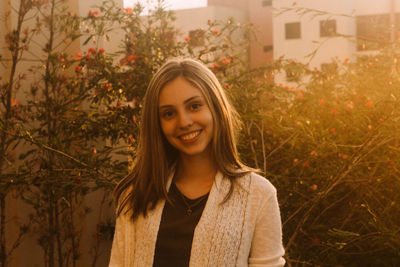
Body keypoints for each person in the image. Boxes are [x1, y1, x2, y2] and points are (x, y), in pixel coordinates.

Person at [109, 58, 285, 267]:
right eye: (169, 113)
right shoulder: (135, 194)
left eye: (194, 106)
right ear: (157, 124)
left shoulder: (257, 195)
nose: (184, 122)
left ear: (216, 107)